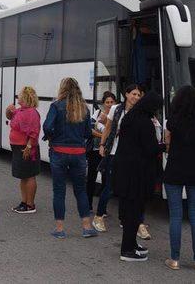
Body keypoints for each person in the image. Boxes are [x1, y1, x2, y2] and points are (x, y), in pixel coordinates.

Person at [43, 77, 97, 239]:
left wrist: (52, 137)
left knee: (59, 191)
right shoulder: (84, 109)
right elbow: (88, 133)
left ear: (63, 89)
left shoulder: (56, 106)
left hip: (59, 152)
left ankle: (59, 229)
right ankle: (87, 227)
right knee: (80, 190)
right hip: (79, 154)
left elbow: (47, 127)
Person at [113, 91, 164, 262]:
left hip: (125, 171)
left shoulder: (130, 117)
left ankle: (131, 244)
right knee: (134, 212)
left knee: (129, 211)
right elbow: (150, 149)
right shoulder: (145, 123)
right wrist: (164, 146)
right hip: (137, 174)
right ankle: (127, 249)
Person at [163, 86, 195, 271]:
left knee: (175, 215)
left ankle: (174, 259)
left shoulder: (171, 121)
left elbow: (167, 144)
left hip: (174, 170)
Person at [95, 85, 143, 232]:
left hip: (131, 156)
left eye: (138, 95)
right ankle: (98, 216)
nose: (136, 97)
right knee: (109, 187)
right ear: (126, 94)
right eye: (133, 94)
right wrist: (102, 145)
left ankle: (125, 219)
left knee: (127, 188)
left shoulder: (140, 112)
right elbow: (108, 128)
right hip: (115, 153)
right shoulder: (116, 109)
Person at [6, 86, 41, 214]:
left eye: (20, 95)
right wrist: (8, 111)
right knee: (23, 176)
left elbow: (34, 132)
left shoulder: (31, 112)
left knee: (29, 175)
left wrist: (29, 146)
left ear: (26, 97)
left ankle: (30, 205)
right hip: (18, 147)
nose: (17, 97)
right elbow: (11, 118)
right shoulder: (20, 110)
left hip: (26, 147)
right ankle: (24, 202)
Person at [87, 91, 116, 226]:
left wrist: (104, 136)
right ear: (103, 104)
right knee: (91, 177)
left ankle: (102, 209)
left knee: (106, 181)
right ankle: (88, 205)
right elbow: (90, 129)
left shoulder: (116, 116)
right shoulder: (97, 113)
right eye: (107, 102)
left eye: (112, 102)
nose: (110, 104)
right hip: (95, 150)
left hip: (108, 153)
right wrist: (103, 137)